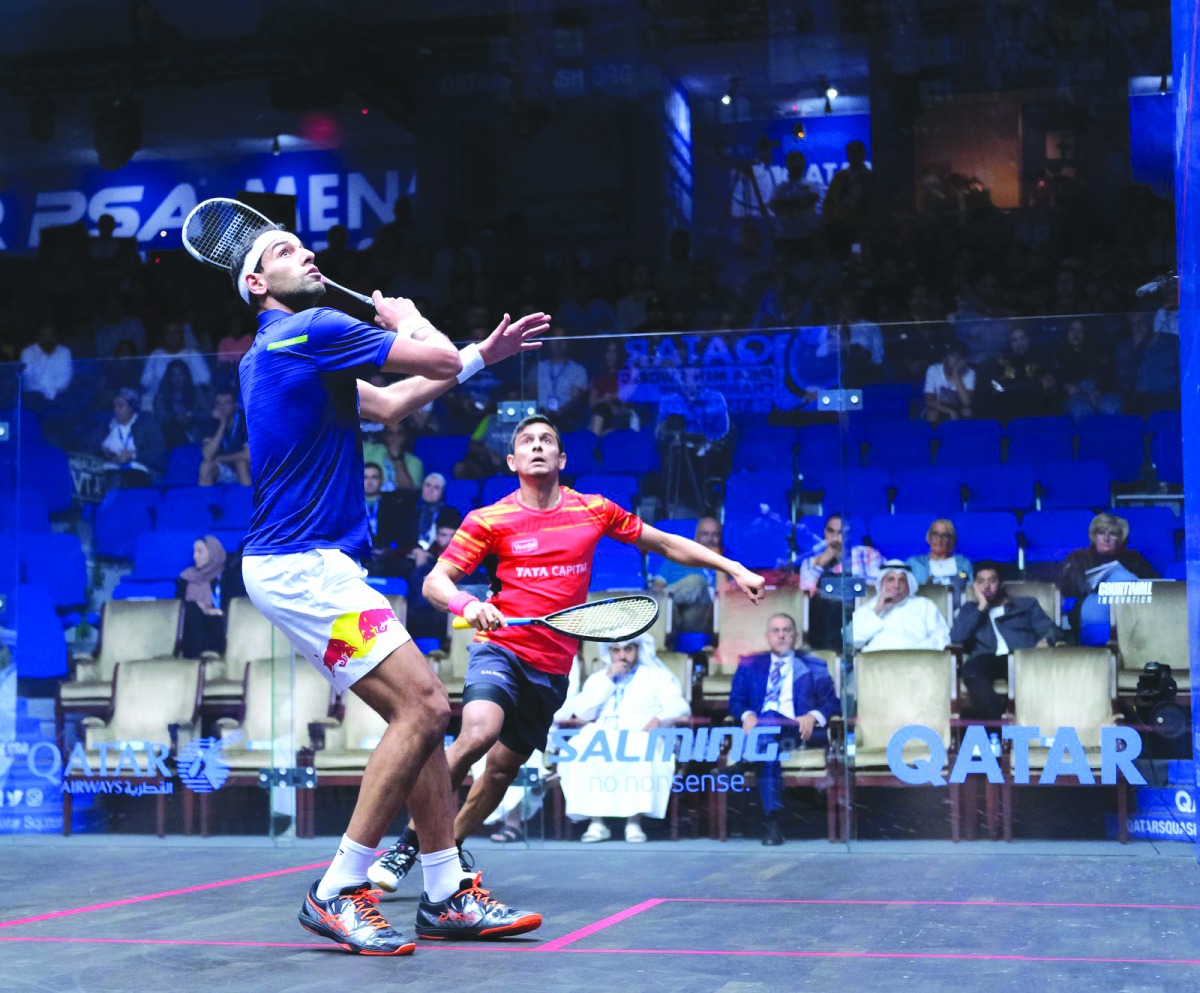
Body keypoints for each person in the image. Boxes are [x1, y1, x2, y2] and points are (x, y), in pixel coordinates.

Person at [229, 220, 550, 952]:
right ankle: (339, 888)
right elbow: (432, 356)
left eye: (304, 245)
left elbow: (388, 405)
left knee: (420, 715)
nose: (307, 253)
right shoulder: (311, 327)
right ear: (256, 283)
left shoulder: (273, 351)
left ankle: (445, 891)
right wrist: (409, 320)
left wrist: (483, 354)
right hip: (304, 566)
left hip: (299, 567)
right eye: (283, 251)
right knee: (430, 704)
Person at [367, 413, 765, 891]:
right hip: (500, 649)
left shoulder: (592, 510)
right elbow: (436, 582)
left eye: (547, 440)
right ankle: (407, 846)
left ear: (562, 458)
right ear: (512, 461)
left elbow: (663, 543)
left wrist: (733, 567)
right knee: (477, 733)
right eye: (527, 441)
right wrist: (468, 605)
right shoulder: (489, 520)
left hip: (553, 667)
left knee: (501, 771)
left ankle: (447, 856)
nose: (537, 446)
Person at [557, 632, 691, 843]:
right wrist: (608, 679)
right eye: (616, 650)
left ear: (637, 650)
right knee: (580, 749)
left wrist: (658, 720)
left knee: (639, 750)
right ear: (609, 652)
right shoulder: (599, 678)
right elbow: (583, 713)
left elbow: (680, 706)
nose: (622, 656)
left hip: (640, 732)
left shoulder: (655, 676)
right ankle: (597, 823)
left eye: (628, 649)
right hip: (602, 733)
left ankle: (633, 822)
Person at [729, 613, 839, 845]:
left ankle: (746, 758)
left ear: (796, 635)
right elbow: (736, 701)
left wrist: (812, 716)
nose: (781, 635)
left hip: (797, 731)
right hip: (764, 734)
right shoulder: (750, 664)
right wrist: (748, 715)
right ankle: (773, 824)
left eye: (787, 630)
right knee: (768, 749)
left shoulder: (814, 665)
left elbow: (832, 703)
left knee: (768, 716)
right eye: (776, 631)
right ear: (767, 636)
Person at [950, 563, 1061, 719]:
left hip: (1020, 655)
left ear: (1001, 584)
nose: (986, 586)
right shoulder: (970, 609)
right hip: (986, 658)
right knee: (970, 671)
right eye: (980, 582)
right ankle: (1001, 722)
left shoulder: (1026, 605)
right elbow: (957, 637)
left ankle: (1023, 722)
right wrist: (981, 607)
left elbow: (1051, 630)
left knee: (1029, 676)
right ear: (975, 586)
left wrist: (1045, 640)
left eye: (992, 581)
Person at [1059, 513, 1158, 645]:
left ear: (1120, 538)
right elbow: (1067, 590)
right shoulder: (1078, 558)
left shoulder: (1134, 559)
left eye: (1112, 534)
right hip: (1093, 610)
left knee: (1121, 577)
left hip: (1129, 608)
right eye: (1101, 533)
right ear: (1094, 536)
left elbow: (1154, 586)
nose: (1106, 538)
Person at [799, 514, 884, 651]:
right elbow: (806, 597)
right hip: (824, 620)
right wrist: (822, 563)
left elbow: (876, 589)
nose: (835, 538)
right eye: (831, 531)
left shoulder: (868, 555)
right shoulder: (810, 563)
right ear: (825, 533)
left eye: (841, 533)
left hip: (858, 614)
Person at [648, 516, 724, 640]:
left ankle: (657, 609)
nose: (710, 539)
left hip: (704, 617)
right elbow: (657, 587)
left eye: (715, 535)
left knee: (697, 581)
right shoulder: (676, 559)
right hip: (673, 616)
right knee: (667, 607)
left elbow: (724, 599)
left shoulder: (727, 565)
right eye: (705, 534)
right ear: (696, 537)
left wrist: (720, 561)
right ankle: (663, 608)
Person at [850, 560, 950, 653]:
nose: (896, 586)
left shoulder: (924, 606)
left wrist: (915, 652)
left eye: (902, 580)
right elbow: (852, 640)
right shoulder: (869, 608)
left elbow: (942, 637)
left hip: (918, 662)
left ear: (909, 585)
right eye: (891, 580)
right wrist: (878, 610)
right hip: (876, 663)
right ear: (882, 583)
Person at [94, 387, 165, 487]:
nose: (116, 410)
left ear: (132, 408)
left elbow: (157, 453)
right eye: (114, 406)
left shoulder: (147, 425)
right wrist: (103, 452)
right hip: (110, 468)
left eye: (120, 406)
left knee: (129, 476)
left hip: (141, 472)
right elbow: (91, 448)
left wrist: (133, 455)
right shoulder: (106, 424)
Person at [178, 535, 227, 657]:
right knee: (192, 609)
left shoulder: (228, 577)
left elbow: (237, 609)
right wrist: (198, 607)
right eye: (194, 552)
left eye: (200, 551)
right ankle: (191, 661)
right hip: (191, 631)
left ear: (213, 553)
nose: (195, 557)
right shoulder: (186, 578)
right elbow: (177, 608)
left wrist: (211, 611)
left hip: (220, 629)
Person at [198, 386, 251, 486]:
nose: (222, 408)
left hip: (244, 466)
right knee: (205, 467)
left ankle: (248, 495)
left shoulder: (245, 420)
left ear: (235, 404)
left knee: (241, 464)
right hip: (222, 468)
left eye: (227, 403)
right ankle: (207, 496)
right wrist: (222, 425)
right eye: (219, 404)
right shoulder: (211, 421)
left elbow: (248, 455)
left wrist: (221, 459)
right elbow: (207, 455)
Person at [905, 519, 973, 591]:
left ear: (951, 540)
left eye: (945, 535)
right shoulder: (914, 563)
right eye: (935, 534)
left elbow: (969, 587)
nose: (939, 539)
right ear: (928, 538)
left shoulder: (963, 563)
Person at [20, 321, 73, 406]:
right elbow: (28, 379)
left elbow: (66, 377)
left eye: (51, 336)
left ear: (56, 337)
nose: (48, 339)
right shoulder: (28, 352)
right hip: (34, 397)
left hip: (60, 396)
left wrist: (53, 394)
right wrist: (47, 394)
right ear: (37, 338)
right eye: (44, 336)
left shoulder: (65, 352)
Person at [922, 341, 975, 424]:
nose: (957, 359)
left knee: (967, 411)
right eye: (953, 356)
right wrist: (950, 411)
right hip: (939, 406)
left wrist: (955, 374)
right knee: (932, 414)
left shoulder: (970, 373)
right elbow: (929, 401)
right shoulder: (933, 370)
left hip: (958, 407)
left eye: (960, 356)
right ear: (944, 359)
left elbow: (966, 402)